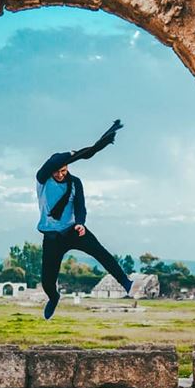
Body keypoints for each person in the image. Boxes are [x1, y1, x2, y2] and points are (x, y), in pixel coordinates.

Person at [35, 120, 133, 320]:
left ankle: (126, 282)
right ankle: (53, 298)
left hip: (73, 230)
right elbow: (50, 165)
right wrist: (73, 154)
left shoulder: (75, 183)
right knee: (47, 280)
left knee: (101, 252)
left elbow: (80, 206)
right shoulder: (42, 180)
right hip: (52, 236)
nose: (61, 174)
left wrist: (81, 222)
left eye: (64, 170)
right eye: (58, 171)